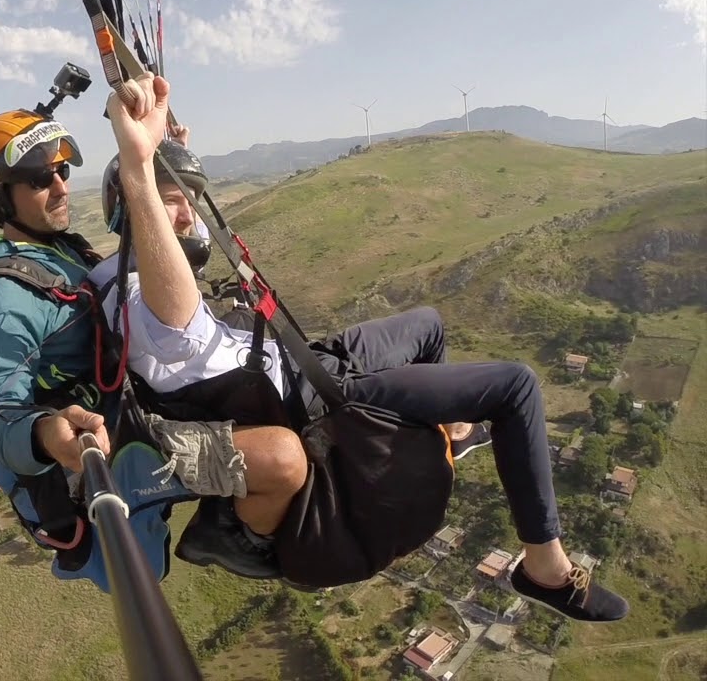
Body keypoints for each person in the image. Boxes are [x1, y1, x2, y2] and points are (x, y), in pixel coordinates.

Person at [93, 71, 630, 623]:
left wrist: (172, 150)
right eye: (171, 204)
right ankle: (544, 568)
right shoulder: (137, 288)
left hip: (305, 364)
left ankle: (450, 431)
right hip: (311, 401)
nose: (187, 215)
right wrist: (138, 163)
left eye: (191, 202)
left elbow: (177, 243)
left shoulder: (141, 269)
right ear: (133, 212)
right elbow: (174, 307)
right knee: (514, 387)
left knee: (428, 327)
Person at [0, 106, 303, 582]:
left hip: (137, 407)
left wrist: (167, 158)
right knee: (280, 454)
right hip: (108, 449)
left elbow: (168, 262)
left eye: (61, 171)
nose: (60, 187)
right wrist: (44, 432)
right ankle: (234, 534)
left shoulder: (60, 254)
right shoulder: (1, 297)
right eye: (39, 178)